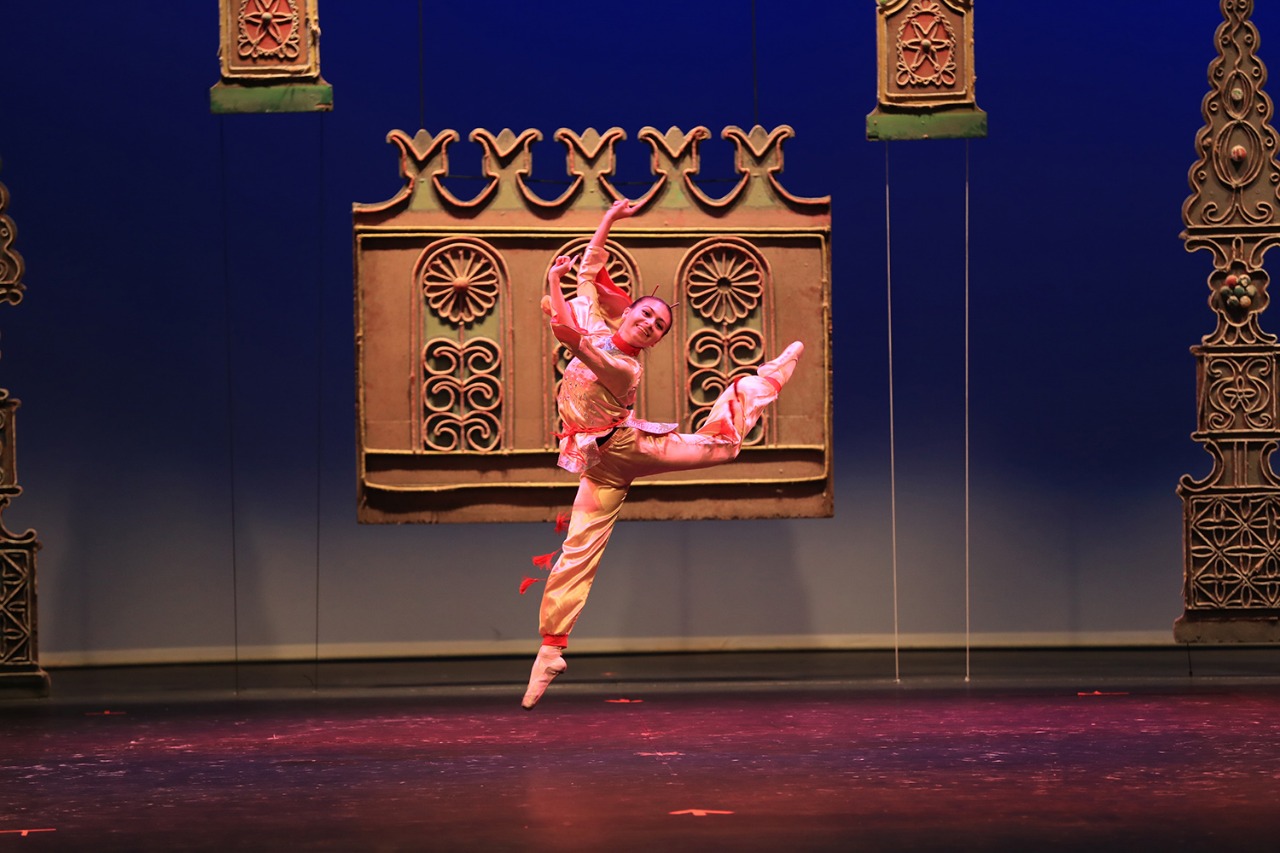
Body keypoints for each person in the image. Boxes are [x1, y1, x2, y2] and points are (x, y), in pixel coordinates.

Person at [522, 198, 803, 709]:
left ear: (653, 343)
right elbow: (589, 271)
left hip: (628, 448)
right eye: (646, 314)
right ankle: (551, 649)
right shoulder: (599, 325)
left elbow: (566, 332)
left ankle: (763, 380)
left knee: (723, 448)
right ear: (628, 310)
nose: (650, 324)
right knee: (578, 550)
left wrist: (552, 283)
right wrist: (610, 219)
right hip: (600, 468)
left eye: (657, 327)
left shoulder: (624, 367)